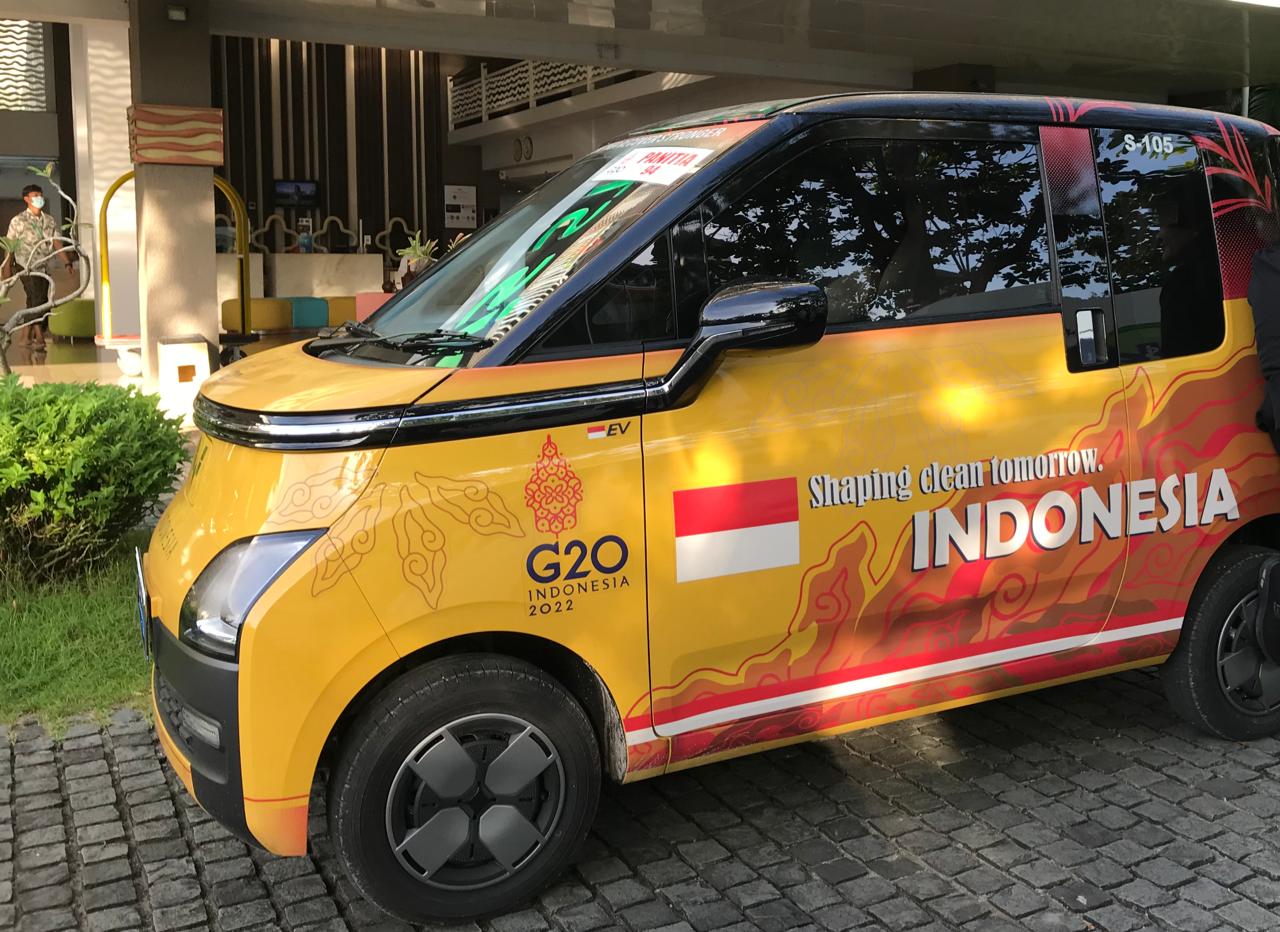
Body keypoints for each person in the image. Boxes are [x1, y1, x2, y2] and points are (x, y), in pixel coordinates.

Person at [3, 183, 73, 347]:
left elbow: (56, 242)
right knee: (35, 298)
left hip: (43, 265)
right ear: (26, 199)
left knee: (39, 300)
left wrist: (66, 262)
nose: (39, 198)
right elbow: (9, 245)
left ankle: (25, 335)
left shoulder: (49, 220)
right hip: (25, 265)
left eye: (40, 195)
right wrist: (6, 267)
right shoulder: (18, 220)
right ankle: (39, 336)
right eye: (35, 196)